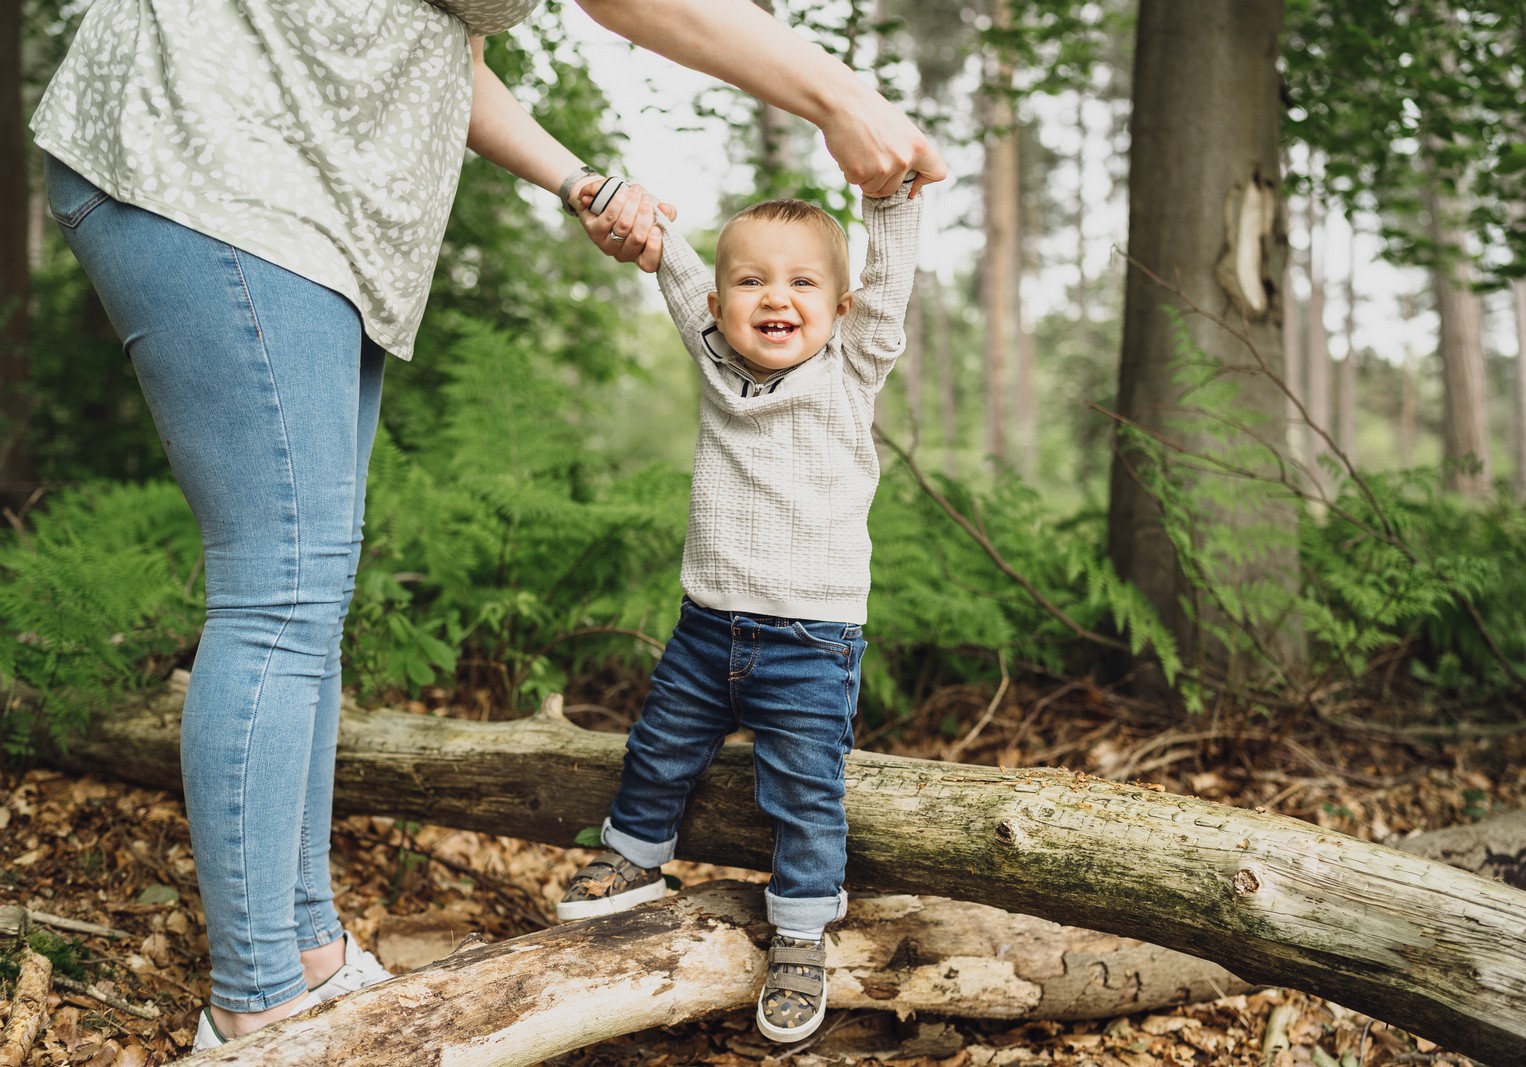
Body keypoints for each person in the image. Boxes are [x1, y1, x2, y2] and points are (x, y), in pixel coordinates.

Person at [29, 0, 946, 1052]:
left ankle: (307, 952)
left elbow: (427, 48)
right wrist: (836, 93)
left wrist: (578, 180)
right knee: (280, 591)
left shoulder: (840, 365)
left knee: (308, 590)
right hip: (217, 160)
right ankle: (253, 1005)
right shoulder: (721, 342)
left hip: (306, 203)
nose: (771, 298)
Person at [553, 175, 924, 1043]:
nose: (776, 297)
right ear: (721, 307)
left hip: (810, 642)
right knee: (659, 743)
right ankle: (635, 857)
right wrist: (632, 215)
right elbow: (677, 275)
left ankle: (799, 934)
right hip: (706, 628)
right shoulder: (718, 361)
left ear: (839, 305)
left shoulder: (849, 370)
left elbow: (892, 282)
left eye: (801, 282)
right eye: (753, 281)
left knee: (803, 792)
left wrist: (890, 201)